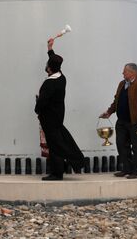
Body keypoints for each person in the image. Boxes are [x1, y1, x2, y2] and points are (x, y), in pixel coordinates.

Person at [35, 38, 84, 181]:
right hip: (57, 118)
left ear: (49, 68)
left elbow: (42, 102)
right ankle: (68, 166)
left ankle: (57, 174)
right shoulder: (61, 78)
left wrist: (37, 110)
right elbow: (55, 62)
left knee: (54, 146)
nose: (46, 66)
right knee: (59, 142)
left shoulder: (50, 83)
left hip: (49, 119)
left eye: (47, 64)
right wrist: (50, 49)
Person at [100, 63, 137, 179]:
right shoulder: (122, 84)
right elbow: (116, 101)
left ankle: (136, 172)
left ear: (132, 73)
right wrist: (109, 112)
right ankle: (126, 169)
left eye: (124, 71)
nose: (122, 73)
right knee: (121, 146)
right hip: (122, 122)